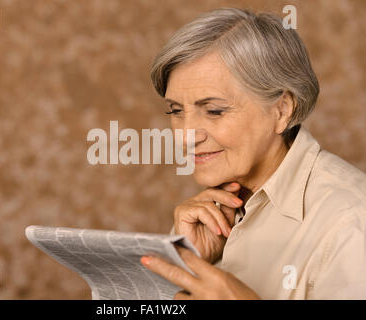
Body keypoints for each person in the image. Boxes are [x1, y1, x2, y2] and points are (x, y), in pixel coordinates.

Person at [140, 8, 366, 299]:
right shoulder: (205, 221)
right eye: (176, 111)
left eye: (214, 111)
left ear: (282, 110)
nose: (187, 135)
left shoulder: (352, 223)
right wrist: (185, 265)